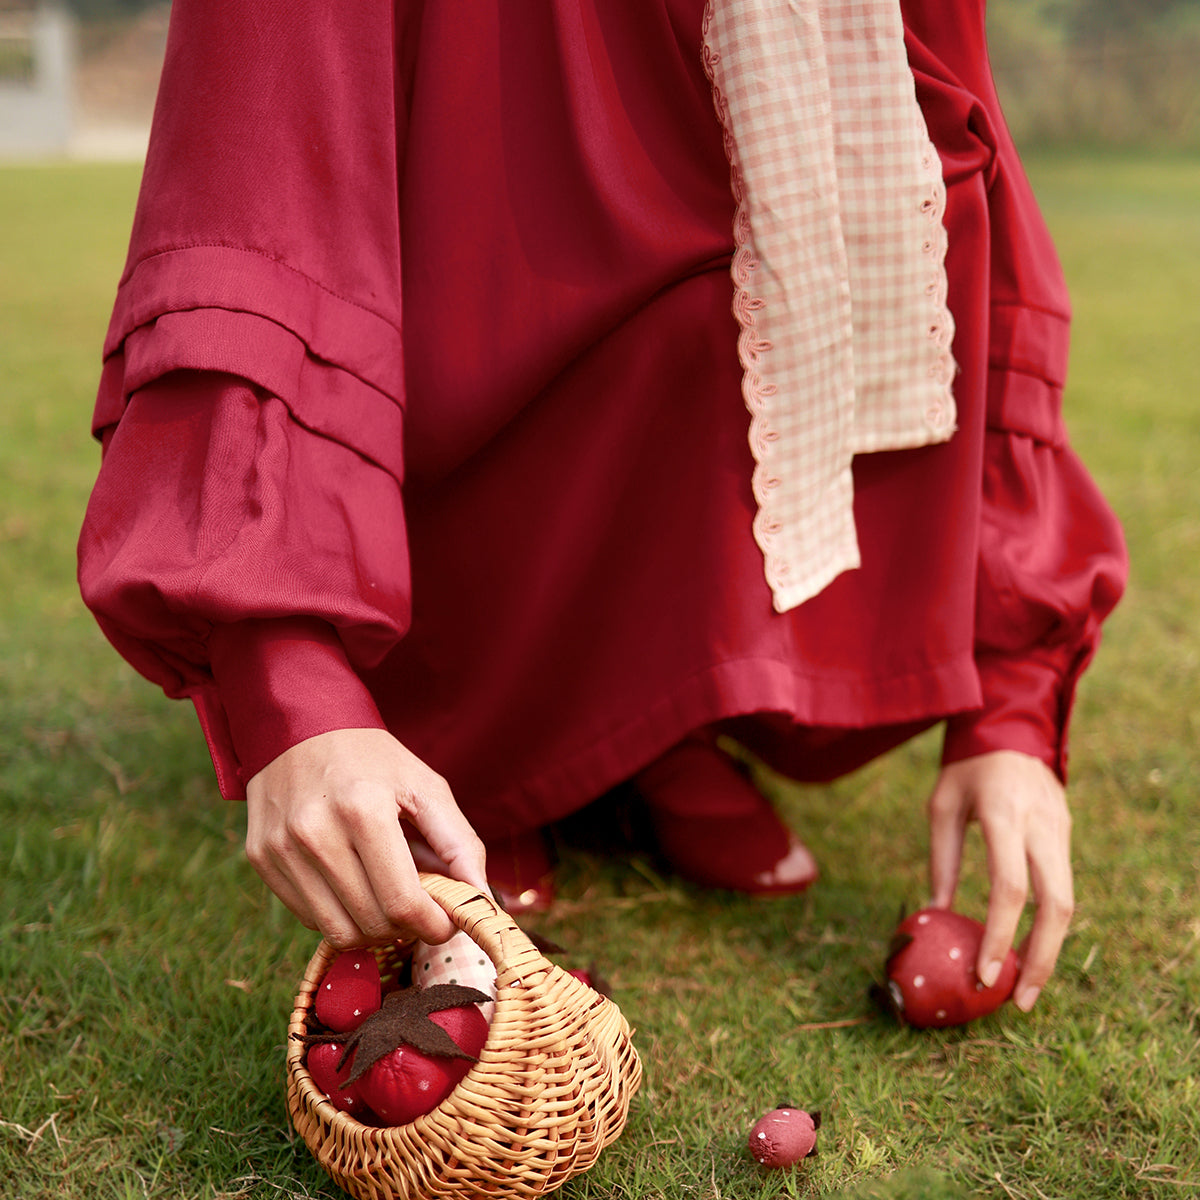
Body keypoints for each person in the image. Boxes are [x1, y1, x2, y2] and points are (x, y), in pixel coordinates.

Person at [78, 0, 1126, 1016]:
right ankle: (480, 751)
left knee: (752, 253)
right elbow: (262, 164)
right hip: (463, 258)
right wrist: (290, 683)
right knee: (521, 251)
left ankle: (657, 730)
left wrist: (1010, 708)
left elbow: (960, 143)